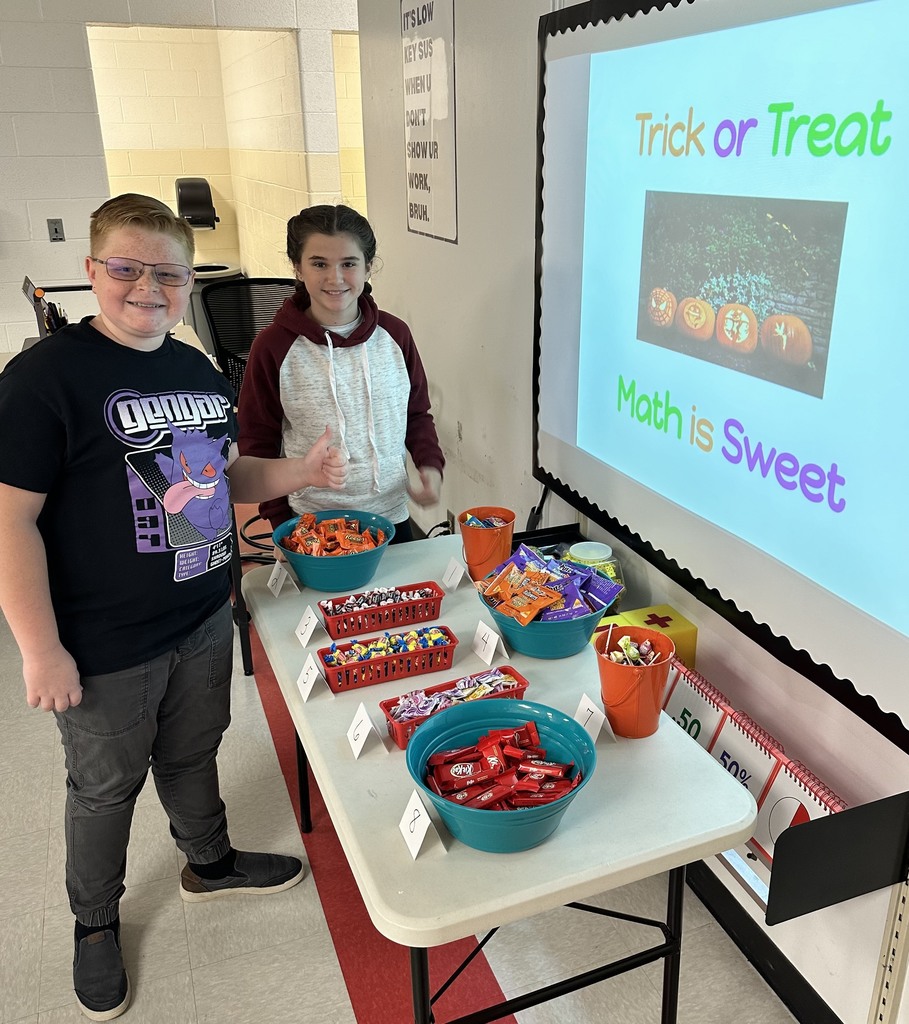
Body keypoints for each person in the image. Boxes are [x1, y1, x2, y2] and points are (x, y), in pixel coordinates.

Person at [0, 194, 348, 1021]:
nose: (145, 287)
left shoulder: (194, 368)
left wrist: (300, 474)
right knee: (104, 789)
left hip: (199, 617)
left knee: (194, 754)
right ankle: (93, 924)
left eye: (166, 272)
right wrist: (39, 648)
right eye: (125, 268)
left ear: (189, 279)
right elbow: (10, 519)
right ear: (91, 272)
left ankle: (209, 862)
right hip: (102, 644)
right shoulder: (43, 379)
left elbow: (221, 482)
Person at [237, 204, 444, 543]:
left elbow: (417, 414)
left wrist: (430, 466)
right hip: (313, 527)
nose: (335, 278)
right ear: (298, 269)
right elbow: (258, 444)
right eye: (319, 263)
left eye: (348, 263)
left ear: (368, 267)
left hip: (392, 518)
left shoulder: (396, 335)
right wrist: (279, 527)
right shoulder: (273, 346)